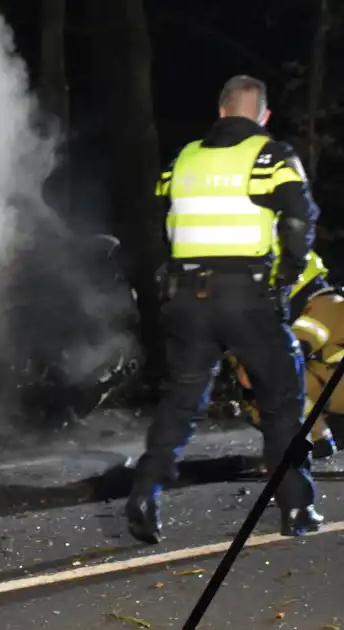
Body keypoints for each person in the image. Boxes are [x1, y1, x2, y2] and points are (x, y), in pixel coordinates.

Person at [126, 75, 323, 543]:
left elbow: (159, 222)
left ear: (220, 111)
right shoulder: (271, 156)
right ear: (264, 116)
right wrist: (287, 279)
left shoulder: (185, 159)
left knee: (181, 401)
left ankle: (144, 491)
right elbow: (299, 219)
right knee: (280, 401)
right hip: (247, 298)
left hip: (187, 297)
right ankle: (296, 507)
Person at [232, 251, 339, 459]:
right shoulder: (324, 301)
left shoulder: (324, 306)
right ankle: (321, 438)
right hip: (332, 383)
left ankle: (311, 442)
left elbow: (284, 356)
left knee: (267, 377)